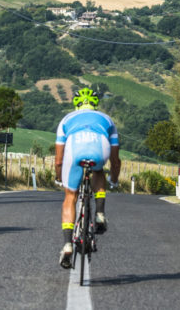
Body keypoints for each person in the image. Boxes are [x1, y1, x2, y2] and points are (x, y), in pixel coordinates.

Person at [55, 87, 120, 269]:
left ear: (76, 104)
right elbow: (115, 161)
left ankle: (67, 244)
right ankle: (99, 214)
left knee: (70, 197)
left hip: (75, 151)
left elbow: (59, 160)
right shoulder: (107, 120)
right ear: (95, 104)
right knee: (98, 171)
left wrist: (59, 177)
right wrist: (113, 180)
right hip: (100, 149)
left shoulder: (66, 120)